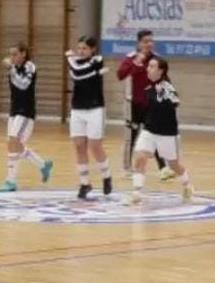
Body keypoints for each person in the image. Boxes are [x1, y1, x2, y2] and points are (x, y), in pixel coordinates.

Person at [128, 56, 193, 204]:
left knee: (173, 164)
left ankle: (187, 185)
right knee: (140, 157)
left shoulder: (166, 85)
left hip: (167, 133)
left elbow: (176, 102)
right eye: (148, 66)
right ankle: (136, 192)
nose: (148, 69)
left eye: (152, 66)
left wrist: (165, 96)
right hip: (149, 130)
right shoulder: (148, 87)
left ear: (161, 71)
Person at [0, 42, 53, 192]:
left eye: (15, 54)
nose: (12, 57)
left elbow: (23, 85)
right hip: (14, 110)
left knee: (14, 141)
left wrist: (11, 69)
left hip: (26, 111)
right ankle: (42, 164)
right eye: (10, 54)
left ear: (23, 54)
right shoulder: (13, 68)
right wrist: (12, 70)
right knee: (12, 144)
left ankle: (10, 181)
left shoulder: (30, 66)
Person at [116, 30, 170, 178]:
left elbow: (164, 80)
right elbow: (120, 75)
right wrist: (136, 63)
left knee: (156, 135)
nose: (149, 44)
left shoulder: (157, 59)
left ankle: (163, 168)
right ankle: (126, 168)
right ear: (139, 43)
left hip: (151, 105)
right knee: (130, 138)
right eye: (146, 41)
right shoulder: (130, 58)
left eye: (151, 41)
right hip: (132, 104)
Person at [66, 36, 112, 200]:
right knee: (79, 145)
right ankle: (85, 183)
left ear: (93, 49)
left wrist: (70, 57)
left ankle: (106, 176)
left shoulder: (97, 59)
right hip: (77, 108)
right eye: (79, 49)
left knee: (94, 145)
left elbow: (79, 74)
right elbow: (76, 76)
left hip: (95, 108)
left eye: (84, 48)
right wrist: (96, 73)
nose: (80, 51)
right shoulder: (77, 62)